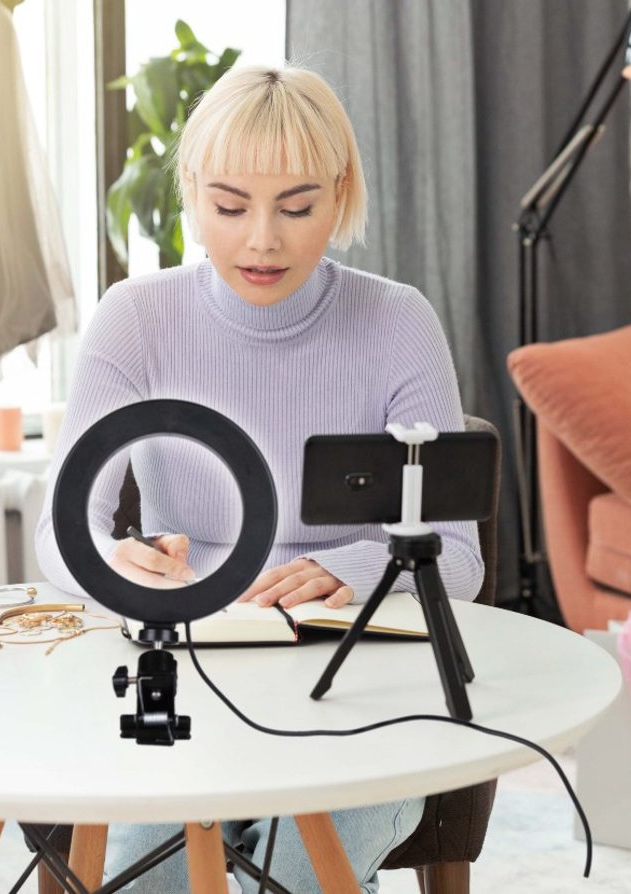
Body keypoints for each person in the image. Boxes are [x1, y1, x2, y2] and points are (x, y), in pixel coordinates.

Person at [34, 64, 483, 894]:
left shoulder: (397, 322)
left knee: (300, 876)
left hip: (359, 683)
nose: (262, 241)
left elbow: (459, 558)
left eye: (297, 208)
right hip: (193, 670)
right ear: (193, 190)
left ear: (340, 195)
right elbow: (63, 532)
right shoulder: (138, 318)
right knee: (146, 883)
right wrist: (114, 560)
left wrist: (351, 570)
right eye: (231, 207)